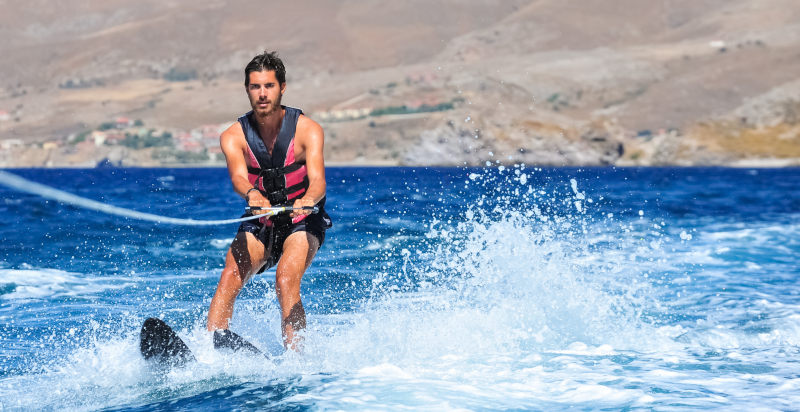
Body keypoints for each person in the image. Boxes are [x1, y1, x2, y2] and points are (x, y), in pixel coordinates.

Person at [207, 51, 331, 350]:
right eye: (255, 86)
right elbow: (239, 177)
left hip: (302, 220)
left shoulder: (308, 130)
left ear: (282, 87)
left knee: (285, 279)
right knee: (230, 275)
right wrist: (252, 194)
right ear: (247, 89)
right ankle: (210, 350)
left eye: (269, 86)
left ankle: (296, 358)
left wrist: (308, 199)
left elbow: (318, 181)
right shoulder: (233, 136)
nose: (262, 93)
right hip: (262, 218)